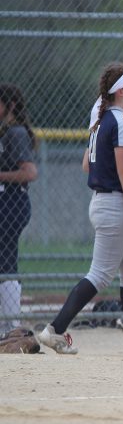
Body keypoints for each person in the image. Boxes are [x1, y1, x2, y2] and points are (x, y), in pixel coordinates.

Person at [38, 64, 123, 354]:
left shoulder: (103, 120)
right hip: (114, 204)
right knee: (99, 275)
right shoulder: (120, 122)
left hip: (107, 202)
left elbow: (89, 164)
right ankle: (55, 330)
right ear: (121, 91)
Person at [0, 85, 38, 335]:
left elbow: (30, 172)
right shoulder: (6, 132)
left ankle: (12, 323)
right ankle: (7, 322)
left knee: (7, 260)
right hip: (6, 201)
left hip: (13, 202)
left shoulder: (15, 133)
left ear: (10, 105)